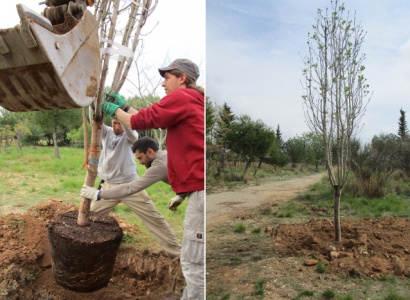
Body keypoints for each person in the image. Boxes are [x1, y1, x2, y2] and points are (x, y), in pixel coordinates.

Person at [102, 58, 204, 300]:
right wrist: (125, 107)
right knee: (193, 257)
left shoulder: (183, 97)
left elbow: (143, 121)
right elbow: (149, 115)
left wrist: (114, 110)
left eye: (167, 78)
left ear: (182, 78)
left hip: (200, 193)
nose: (163, 84)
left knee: (193, 260)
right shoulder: (191, 101)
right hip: (196, 191)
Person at [82, 117, 181, 258]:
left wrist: (120, 112)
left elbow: (130, 131)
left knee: (154, 218)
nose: (117, 127)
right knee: (90, 217)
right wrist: (95, 103)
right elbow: (95, 119)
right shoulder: (106, 132)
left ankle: (176, 253)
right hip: (108, 185)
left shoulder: (131, 135)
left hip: (130, 186)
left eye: (120, 123)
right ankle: (85, 248)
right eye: (114, 123)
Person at [80, 136, 187, 210]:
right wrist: (181, 195)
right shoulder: (165, 155)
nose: (139, 162)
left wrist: (98, 194)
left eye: (140, 158)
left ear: (150, 152)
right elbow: (186, 176)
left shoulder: (158, 167)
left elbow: (131, 188)